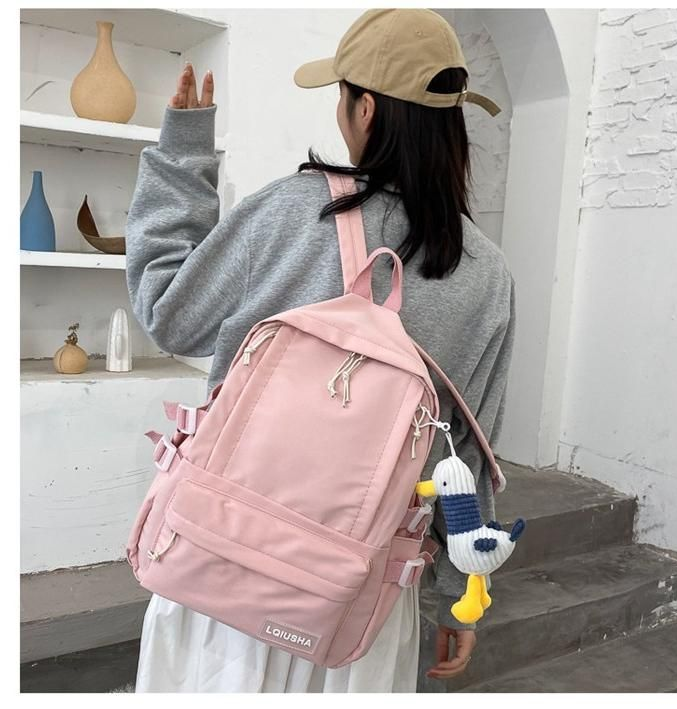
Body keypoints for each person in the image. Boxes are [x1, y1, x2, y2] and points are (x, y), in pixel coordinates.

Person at [125, 8, 515, 693]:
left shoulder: (289, 212)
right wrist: (462, 593)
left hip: (221, 561)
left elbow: (169, 313)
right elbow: (467, 454)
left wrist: (182, 160)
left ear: (365, 108)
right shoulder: (486, 273)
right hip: (357, 597)